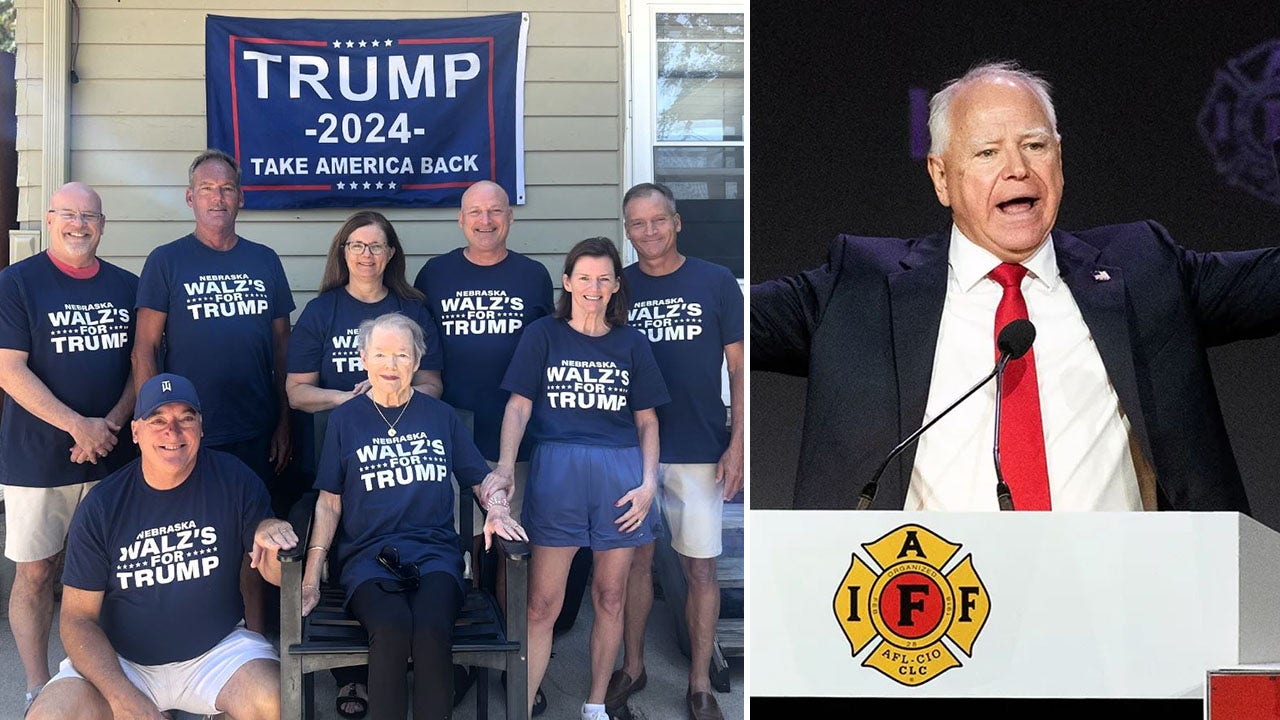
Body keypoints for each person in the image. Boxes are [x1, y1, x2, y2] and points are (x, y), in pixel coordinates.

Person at [750, 60, 1280, 512]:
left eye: (1034, 145)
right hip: (931, 612)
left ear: (1060, 159)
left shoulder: (1143, 268)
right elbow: (715, 312)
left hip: (1126, 600)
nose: (1018, 169)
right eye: (987, 153)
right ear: (941, 177)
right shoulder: (860, 287)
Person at [25, 372, 297, 720]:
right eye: (158, 420)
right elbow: (77, 620)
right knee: (49, 715)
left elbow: (273, 571)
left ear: (201, 427)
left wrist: (274, 535)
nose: (173, 432)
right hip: (123, 662)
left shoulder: (235, 479)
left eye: (186, 418)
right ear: (136, 432)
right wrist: (124, 698)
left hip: (215, 652)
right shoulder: (103, 505)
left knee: (277, 701)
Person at [299, 312, 526, 720]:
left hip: (436, 556)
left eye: (402, 355)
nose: (391, 365)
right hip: (368, 559)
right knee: (390, 630)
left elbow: (480, 480)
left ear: (417, 361)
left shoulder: (441, 418)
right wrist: (312, 576)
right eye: (381, 354)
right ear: (363, 359)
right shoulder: (345, 420)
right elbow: (329, 502)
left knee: (431, 629)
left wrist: (496, 508)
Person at [495, 237, 670, 720]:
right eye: (584, 277)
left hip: (620, 475)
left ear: (616, 286)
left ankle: (595, 705)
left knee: (610, 596)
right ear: (568, 282)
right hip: (558, 472)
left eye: (604, 278)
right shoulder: (542, 335)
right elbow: (518, 405)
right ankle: (523, 705)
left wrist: (649, 483)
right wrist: (507, 468)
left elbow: (648, 421)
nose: (594, 287)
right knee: (541, 604)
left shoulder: (632, 343)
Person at [286, 210, 445, 718]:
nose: (366, 254)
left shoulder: (413, 309)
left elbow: (434, 384)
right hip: (344, 456)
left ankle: (406, 674)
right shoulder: (321, 311)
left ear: (391, 253)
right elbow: (295, 392)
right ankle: (353, 680)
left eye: (376, 246)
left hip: (405, 459)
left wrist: (390, 392)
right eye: (356, 245)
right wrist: (350, 400)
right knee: (352, 561)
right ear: (343, 251)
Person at [132, 148, 295, 630]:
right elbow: (144, 349)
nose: (217, 198)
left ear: (240, 198)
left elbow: (282, 346)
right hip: (186, 433)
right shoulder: (167, 262)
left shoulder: (263, 260)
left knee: (255, 540)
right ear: (190, 198)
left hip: (256, 428)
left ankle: (256, 641)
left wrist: (285, 421)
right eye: (207, 189)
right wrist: (147, 425)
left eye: (226, 189)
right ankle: (190, 637)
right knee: (192, 542)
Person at [413, 179, 554, 713]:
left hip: (511, 438)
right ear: (461, 219)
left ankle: (512, 657)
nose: (487, 220)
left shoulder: (533, 276)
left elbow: (547, 354)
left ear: (510, 218)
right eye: (476, 211)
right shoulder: (436, 273)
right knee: (460, 550)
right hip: (446, 437)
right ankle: (462, 657)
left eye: (497, 211)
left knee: (507, 551)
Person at [0, 182, 138, 715]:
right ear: (50, 218)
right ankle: (38, 687)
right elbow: (9, 369)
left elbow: (138, 365)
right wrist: (78, 426)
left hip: (114, 454)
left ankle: (110, 681)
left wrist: (107, 425)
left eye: (90, 217)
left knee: (115, 574)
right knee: (36, 572)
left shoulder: (126, 286)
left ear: (103, 225)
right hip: (37, 458)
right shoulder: (17, 283)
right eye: (68, 215)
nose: (78, 225)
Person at [612, 182, 744, 720]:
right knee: (635, 564)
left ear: (677, 221)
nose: (648, 232)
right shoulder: (616, 286)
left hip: (699, 446)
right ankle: (634, 666)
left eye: (657, 221)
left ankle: (698, 686)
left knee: (702, 571)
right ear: (627, 230)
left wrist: (740, 442)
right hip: (629, 449)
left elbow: (738, 368)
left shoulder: (714, 282)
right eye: (637, 224)